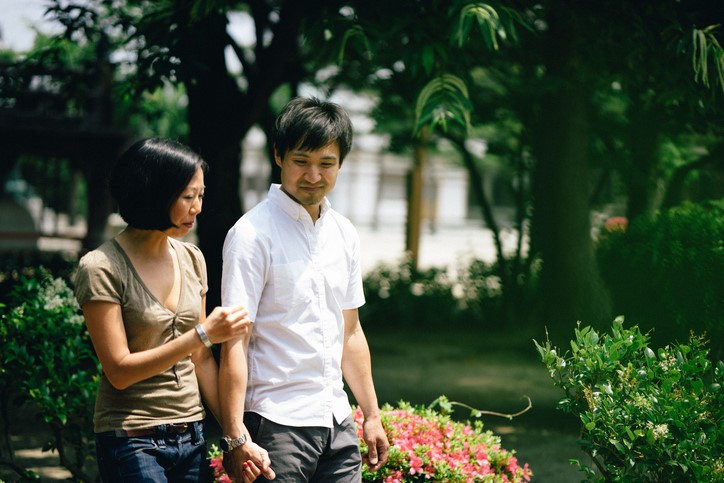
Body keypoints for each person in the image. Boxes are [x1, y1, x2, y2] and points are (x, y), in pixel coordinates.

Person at [74, 138, 271, 482]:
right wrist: (203, 334)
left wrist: (235, 438)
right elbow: (119, 370)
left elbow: (201, 359)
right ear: (153, 193)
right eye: (187, 197)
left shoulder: (191, 258)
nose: (197, 207)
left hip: (191, 435)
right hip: (131, 439)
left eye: (201, 196)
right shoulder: (102, 267)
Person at [219, 97, 389, 482]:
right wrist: (233, 436)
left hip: (337, 418)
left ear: (340, 164)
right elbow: (234, 341)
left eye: (326, 163)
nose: (314, 175)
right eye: (302, 161)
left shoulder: (343, 233)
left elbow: (351, 331)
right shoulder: (250, 235)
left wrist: (371, 414)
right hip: (275, 423)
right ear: (279, 156)